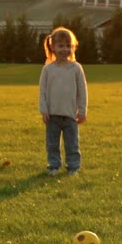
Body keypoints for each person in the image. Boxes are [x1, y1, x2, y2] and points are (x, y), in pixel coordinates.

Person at [38, 27, 88, 176]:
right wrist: (43, 110)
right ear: (53, 47)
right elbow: (42, 91)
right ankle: (53, 166)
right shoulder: (48, 69)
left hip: (70, 115)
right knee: (52, 144)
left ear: (73, 48)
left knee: (72, 144)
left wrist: (82, 111)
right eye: (61, 46)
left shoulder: (76, 69)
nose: (65, 49)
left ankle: (73, 167)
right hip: (52, 115)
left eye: (68, 46)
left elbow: (82, 91)